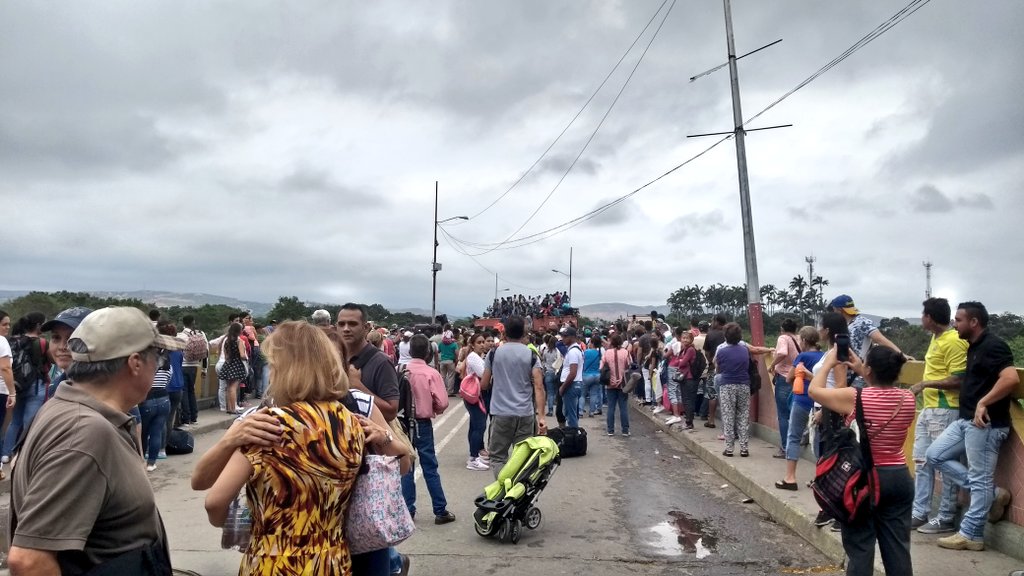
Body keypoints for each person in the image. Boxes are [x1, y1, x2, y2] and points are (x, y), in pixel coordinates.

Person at [202, 321, 408, 576]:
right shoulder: (350, 422)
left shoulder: (267, 426)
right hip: (333, 561)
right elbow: (399, 464)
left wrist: (247, 526)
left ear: (285, 368)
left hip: (275, 563)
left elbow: (214, 503)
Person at [8, 307, 181, 574]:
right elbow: (29, 560)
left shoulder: (79, 413)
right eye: (157, 356)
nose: (159, 364)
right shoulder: (85, 433)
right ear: (135, 363)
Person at [810, 346, 915, 576]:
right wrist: (865, 369)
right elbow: (881, 391)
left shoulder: (854, 397)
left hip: (863, 480)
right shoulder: (908, 398)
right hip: (898, 477)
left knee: (860, 548)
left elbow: (814, 391)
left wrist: (829, 362)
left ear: (868, 370)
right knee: (898, 549)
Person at [926, 301, 1018, 551]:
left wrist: (983, 403)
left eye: (959, 320)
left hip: (986, 425)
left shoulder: (993, 346)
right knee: (934, 455)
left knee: (980, 477)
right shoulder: (973, 346)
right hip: (965, 421)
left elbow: (1011, 378)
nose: (955, 324)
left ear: (974, 322)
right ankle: (993, 493)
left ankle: (971, 535)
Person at [910, 297, 968, 534]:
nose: (922, 318)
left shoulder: (954, 341)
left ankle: (945, 516)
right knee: (922, 462)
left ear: (930, 318)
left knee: (943, 465)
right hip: (929, 408)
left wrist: (926, 383)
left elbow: (959, 379)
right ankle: (919, 512)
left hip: (945, 409)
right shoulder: (937, 338)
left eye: (923, 314)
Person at [481, 316, 547, 477]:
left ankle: (504, 490)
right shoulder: (531, 355)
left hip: (501, 413)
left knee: (498, 457)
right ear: (524, 332)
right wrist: (542, 417)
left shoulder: (494, 353)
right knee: (523, 457)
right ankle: (517, 492)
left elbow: (483, 384)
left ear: (504, 332)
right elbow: (539, 386)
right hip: (525, 414)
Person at [401, 335, 456, 524]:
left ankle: (407, 510)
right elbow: (442, 402)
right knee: (430, 467)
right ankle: (440, 510)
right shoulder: (431, 373)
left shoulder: (400, 370)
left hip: (402, 424)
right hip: (422, 423)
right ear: (429, 353)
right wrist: (433, 408)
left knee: (406, 467)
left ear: (409, 351)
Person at [775, 326, 823, 492]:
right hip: (819, 403)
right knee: (819, 441)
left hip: (801, 400)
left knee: (793, 436)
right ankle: (820, 479)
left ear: (803, 340)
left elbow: (789, 378)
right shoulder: (824, 356)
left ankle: (790, 477)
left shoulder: (803, 356)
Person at [337, 304, 400, 422]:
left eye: (352, 324)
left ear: (366, 327)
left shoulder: (381, 362)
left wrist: (357, 386)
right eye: (341, 324)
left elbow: (391, 412)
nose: (346, 329)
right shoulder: (333, 359)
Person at [2, 312, 49, 463]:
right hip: (35, 385)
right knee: (30, 421)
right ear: (37, 326)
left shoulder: (11, 340)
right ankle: (24, 454)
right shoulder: (41, 343)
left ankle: (5, 453)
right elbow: (49, 361)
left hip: (16, 385)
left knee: (14, 421)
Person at [828, 294, 905, 387]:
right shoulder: (845, 325)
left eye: (834, 310)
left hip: (858, 377)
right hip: (846, 375)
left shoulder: (862, 322)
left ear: (839, 310)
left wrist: (900, 354)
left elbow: (880, 339)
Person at [715, 323, 752, 457]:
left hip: (727, 384)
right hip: (744, 384)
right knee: (743, 416)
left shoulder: (722, 351)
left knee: (728, 416)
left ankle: (729, 448)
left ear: (725, 336)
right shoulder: (744, 349)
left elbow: (718, 368)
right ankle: (744, 448)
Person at [770, 318, 802, 458]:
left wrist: (772, 364)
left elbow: (782, 353)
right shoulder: (800, 338)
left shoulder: (783, 338)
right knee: (795, 412)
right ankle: (796, 444)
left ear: (782, 329)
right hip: (798, 377)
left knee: (783, 415)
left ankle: (785, 448)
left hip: (784, 377)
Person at [463, 333, 490, 471]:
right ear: (473, 344)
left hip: (477, 395)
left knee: (475, 425)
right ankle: (473, 458)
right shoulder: (473, 357)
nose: (482, 344)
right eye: (479, 342)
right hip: (475, 395)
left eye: (483, 342)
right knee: (479, 426)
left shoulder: (479, 357)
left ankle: (475, 454)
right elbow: (484, 374)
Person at [177, 315, 207, 427]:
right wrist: (204, 368)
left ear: (183, 322)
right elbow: (206, 351)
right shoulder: (200, 334)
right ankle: (194, 417)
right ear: (193, 322)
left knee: (184, 392)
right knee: (191, 391)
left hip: (183, 365)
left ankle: (186, 418)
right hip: (195, 366)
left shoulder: (180, 335)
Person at [601, 333, 631, 436]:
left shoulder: (607, 353)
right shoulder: (625, 352)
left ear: (612, 342)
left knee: (611, 407)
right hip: (623, 384)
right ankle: (625, 430)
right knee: (623, 407)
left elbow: (601, 367)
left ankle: (610, 430)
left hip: (610, 383)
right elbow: (629, 367)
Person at [667, 330, 697, 428]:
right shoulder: (684, 349)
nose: (685, 340)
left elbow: (682, 362)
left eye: (687, 338)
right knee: (684, 399)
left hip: (689, 377)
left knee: (688, 400)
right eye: (683, 338)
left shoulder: (690, 350)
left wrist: (680, 360)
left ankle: (689, 422)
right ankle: (688, 420)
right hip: (684, 377)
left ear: (691, 339)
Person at [702, 314, 727, 428]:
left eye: (712, 321)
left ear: (716, 321)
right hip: (728, 369)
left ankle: (711, 420)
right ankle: (727, 423)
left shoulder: (710, 334)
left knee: (713, 395)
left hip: (714, 369)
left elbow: (707, 352)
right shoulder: (729, 334)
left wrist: (711, 362)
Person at [217, 322, 249, 414]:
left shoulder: (227, 341)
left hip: (228, 364)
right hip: (237, 365)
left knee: (228, 387)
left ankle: (229, 408)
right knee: (233, 388)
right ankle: (233, 408)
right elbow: (242, 355)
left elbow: (226, 355)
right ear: (239, 331)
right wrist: (245, 358)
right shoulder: (239, 341)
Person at [558, 327, 585, 428]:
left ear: (573, 337)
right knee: (572, 414)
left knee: (570, 415)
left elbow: (572, 372)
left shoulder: (573, 352)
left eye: (565, 336)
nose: (563, 338)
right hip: (575, 384)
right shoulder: (576, 350)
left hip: (571, 385)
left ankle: (574, 438)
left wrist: (563, 387)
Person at [0, 310, 16, 479]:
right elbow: (5, 368)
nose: (7, 327)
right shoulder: (1, 341)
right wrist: (12, 393)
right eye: (4, 324)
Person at [582, 335, 603, 417]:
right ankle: (591, 412)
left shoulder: (586, 352)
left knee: (582, 395)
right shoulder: (599, 353)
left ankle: (580, 411)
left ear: (592, 343)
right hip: (597, 375)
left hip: (586, 375)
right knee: (594, 394)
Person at [539, 335, 560, 417]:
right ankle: (558, 407)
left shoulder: (546, 351)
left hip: (548, 372)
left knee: (550, 393)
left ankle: (550, 410)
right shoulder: (558, 351)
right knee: (557, 392)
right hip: (557, 372)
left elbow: (543, 361)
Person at [438, 329, 459, 396]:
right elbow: (457, 354)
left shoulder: (441, 343)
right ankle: (449, 392)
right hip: (451, 361)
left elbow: (438, 351)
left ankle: (442, 390)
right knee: (451, 377)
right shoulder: (454, 344)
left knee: (442, 376)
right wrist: (456, 361)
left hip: (442, 361)